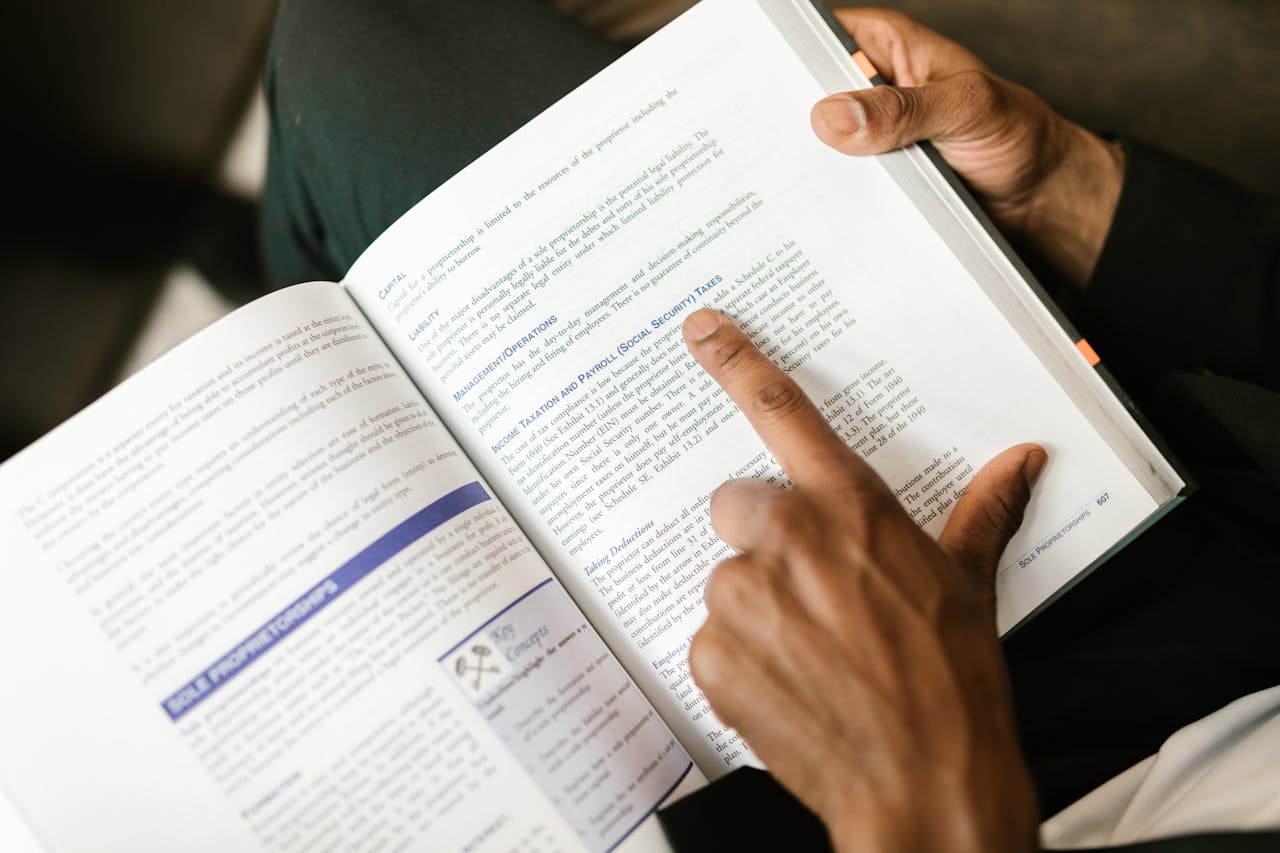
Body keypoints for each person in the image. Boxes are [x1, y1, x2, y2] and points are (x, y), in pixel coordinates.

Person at [262, 3, 1280, 849]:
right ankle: (301, 307)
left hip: (862, 798)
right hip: (1191, 610)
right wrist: (1068, 191)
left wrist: (918, 787)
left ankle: (294, 285)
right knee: (369, 35)